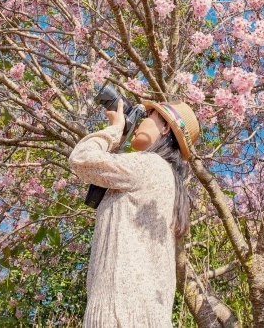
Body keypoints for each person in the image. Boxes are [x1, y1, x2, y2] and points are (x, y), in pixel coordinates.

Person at [68, 95, 200, 328]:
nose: (139, 123)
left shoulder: (150, 165)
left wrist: (115, 130)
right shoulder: (165, 176)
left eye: (148, 117)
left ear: (166, 127)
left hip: (120, 314)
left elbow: (81, 158)